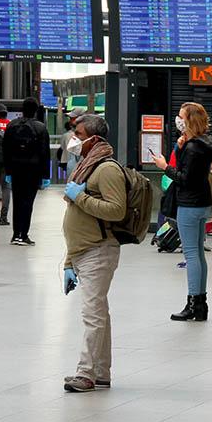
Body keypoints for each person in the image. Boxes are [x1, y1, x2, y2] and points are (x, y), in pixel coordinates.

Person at [60, 115, 126, 393]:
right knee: (100, 312)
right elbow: (76, 219)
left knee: (92, 314)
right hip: (84, 251)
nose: (74, 139)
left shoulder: (107, 169)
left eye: (79, 133)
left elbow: (116, 210)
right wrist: (69, 262)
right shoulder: (86, 166)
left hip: (99, 250)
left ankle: (85, 373)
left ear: (94, 139)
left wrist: (80, 197)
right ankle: (101, 372)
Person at [152, 102, 212, 322]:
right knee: (198, 253)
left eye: (181, 116)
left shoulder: (192, 148)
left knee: (191, 254)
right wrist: (181, 147)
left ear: (189, 120)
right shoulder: (204, 144)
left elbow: (184, 179)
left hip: (189, 204)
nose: (178, 119)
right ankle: (201, 305)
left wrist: (164, 166)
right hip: (202, 203)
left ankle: (193, 304)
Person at [1, 97, 50, 246]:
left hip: (16, 169)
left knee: (17, 201)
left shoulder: (12, 125)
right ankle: (24, 234)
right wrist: (45, 176)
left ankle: (15, 234)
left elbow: (6, 150)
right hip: (33, 171)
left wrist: (8, 171)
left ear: (22, 109)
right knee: (28, 202)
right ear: (36, 110)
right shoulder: (40, 128)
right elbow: (44, 153)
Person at [58, 108, 85, 179]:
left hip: (79, 174)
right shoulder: (75, 134)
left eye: (72, 118)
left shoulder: (84, 135)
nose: (70, 120)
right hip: (73, 172)